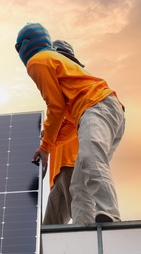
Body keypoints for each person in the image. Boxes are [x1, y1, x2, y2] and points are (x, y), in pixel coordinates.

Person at [16, 23, 125, 225]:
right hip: (102, 110)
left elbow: (55, 107)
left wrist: (45, 147)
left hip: (96, 106)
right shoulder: (56, 67)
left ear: (22, 47)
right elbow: (68, 125)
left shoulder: (37, 61)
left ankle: (111, 216)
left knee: (91, 160)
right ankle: (85, 233)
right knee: (79, 184)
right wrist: (47, 147)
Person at [41, 39, 82, 225]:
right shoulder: (56, 92)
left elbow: (74, 123)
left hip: (72, 163)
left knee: (83, 218)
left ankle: (93, 253)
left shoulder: (74, 87)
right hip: (57, 173)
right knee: (50, 232)